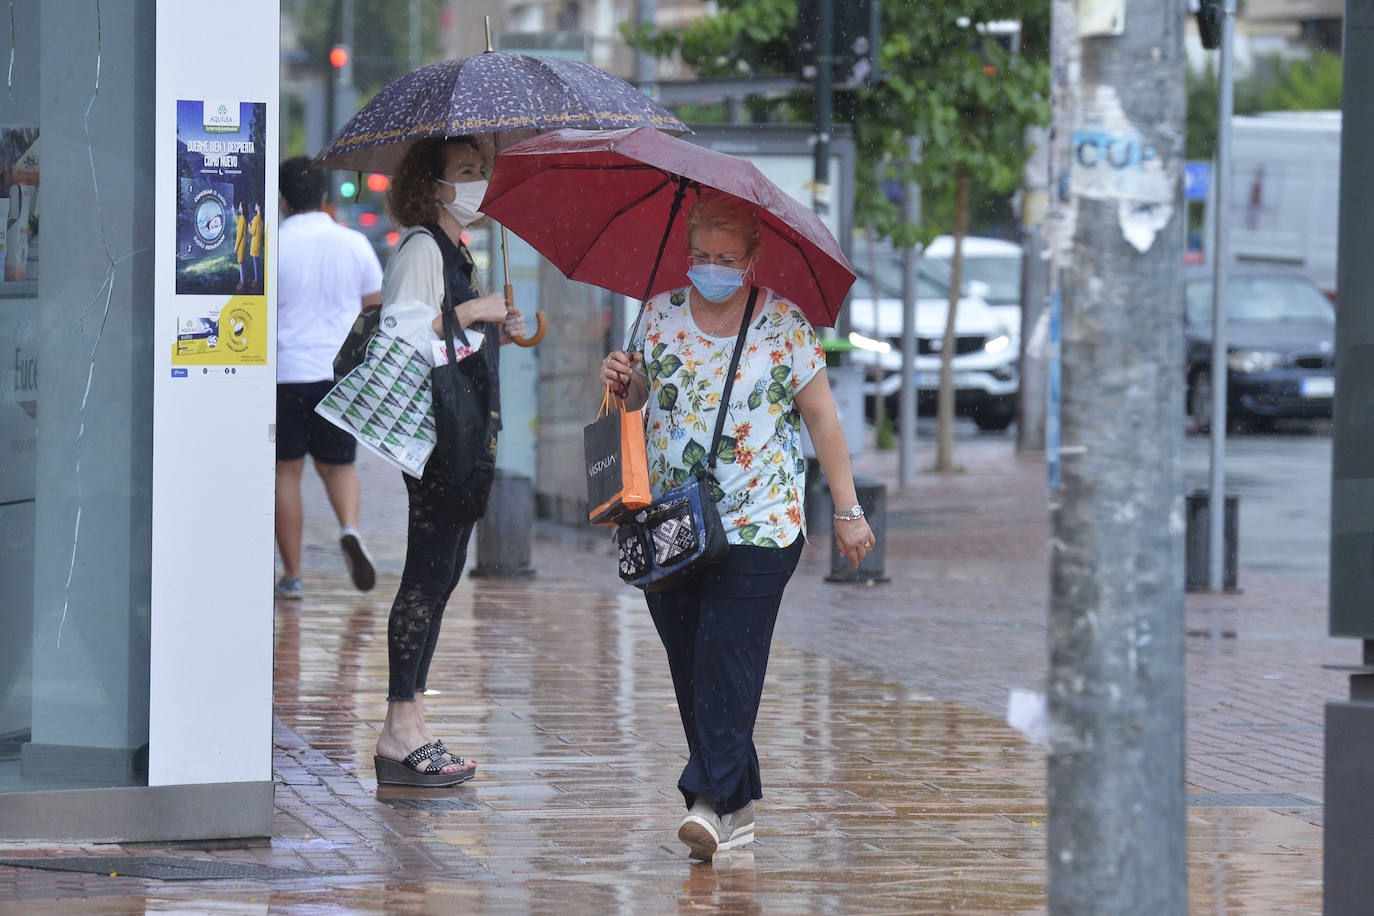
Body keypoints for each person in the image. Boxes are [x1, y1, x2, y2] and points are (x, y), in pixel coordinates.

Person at [601, 190, 876, 860]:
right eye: (701, 256)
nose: (712, 268)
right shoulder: (657, 316)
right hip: (669, 523)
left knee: (726, 655)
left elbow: (823, 420)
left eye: (727, 258)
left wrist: (848, 511)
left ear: (752, 258)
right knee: (691, 664)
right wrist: (618, 380)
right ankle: (738, 801)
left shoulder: (784, 325)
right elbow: (630, 409)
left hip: (761, 521)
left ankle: (705, 801)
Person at [371, 135, 526, 787]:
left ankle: (413, 718)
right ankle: (398, 726)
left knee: (444, 576)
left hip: (463, 432)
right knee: (426, 574)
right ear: (432, 186)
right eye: (465, 171)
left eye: (482, 169)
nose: (478, 181)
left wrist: (499, 326)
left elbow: (453, 340)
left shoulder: (458, 249)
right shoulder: (421, 248)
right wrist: (473, 311)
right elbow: (402, 335)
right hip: (434, 436)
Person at [274, 157, 384, 601]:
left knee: (286, 472)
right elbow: (374, 309)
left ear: (282, 199)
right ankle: (350, 528)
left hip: (285, 373)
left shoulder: (272, 244)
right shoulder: (353, 243)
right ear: (322, 195)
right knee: (339, 466)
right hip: (338, 374)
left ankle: (293, 575)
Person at [249, 200, 265, 290]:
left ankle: (256, 281)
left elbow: (253, 232)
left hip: (255, 245)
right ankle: (257, 279)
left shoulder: (256, 218)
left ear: (258, 207)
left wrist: (249, 226)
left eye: (256, 205)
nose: (255, 206)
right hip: (259, 244)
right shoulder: (261, 219)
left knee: (256, 264)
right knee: (257, 263)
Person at [233, 201, 248, 290]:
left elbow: (239, 235)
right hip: (243, 243)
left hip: (241, 244)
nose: (239, 207)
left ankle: (243, 283)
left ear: (242, 208)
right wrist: (234, 213)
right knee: (242, 263)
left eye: (239, 206)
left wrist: (236, 246)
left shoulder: (243, 218)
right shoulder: (243, 218)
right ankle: (243, 281)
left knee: (241, 263)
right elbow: (239, 223)